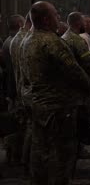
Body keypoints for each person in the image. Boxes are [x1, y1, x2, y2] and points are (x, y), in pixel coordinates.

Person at [22, 1, 90, 184]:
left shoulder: (27, 41)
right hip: (59, 110)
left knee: (40, 155)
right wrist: (89, 87)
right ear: (46, 20)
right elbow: (75, 73)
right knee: (60, 159)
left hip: (38, 107)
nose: (59, 17)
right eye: (55, 14)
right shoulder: (53, 42)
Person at [9, 13, 32, 170]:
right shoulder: (25, 39)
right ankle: (24, 161)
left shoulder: (17, 38)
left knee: (21, 128)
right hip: (25, 92)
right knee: (28, 129)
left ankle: (17, 158)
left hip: (19, 90)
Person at [2, 14, 25, 164]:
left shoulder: (7, 41)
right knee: (18, 125)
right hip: (16, 89)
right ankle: (15, 155)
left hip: (11, 88)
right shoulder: (16, 42)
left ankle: (12, 154)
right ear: (18, 24)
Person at [62, 12, 90, 100]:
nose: (85, 25)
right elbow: (88, 64)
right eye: (84, 22)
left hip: (67, 84)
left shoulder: (63, 37)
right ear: (78, 23)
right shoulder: (78, 40)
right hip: (79, 87)